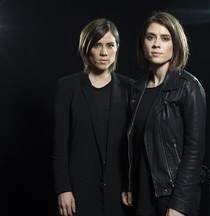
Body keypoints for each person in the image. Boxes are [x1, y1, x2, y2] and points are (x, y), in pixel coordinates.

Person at [122, 11, 207, 216]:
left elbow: (194, 152)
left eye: (165, 38)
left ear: (175, 44)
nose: (156, 44)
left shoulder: (188, 86)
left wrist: (179, 204)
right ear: (143, 43)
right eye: (150, 37)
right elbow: (135, 145)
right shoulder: (137, 89)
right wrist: (130, 184)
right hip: (143, 195)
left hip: (172, 194)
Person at [52, 18, 134, 216]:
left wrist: (131, 184)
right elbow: (60, 143)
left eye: (110, 45)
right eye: (97, 45)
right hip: (79, 189)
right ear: (86, 47)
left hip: (119, 191)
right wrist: (63, 188)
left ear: (117, 47)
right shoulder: (68, 87)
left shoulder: (131, 88)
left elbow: (134, 145)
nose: (104, 52)